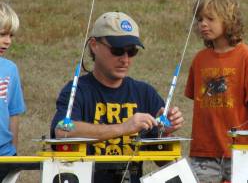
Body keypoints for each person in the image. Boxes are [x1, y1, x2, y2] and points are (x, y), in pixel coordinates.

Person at [51, 11, 184, 183]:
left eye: (132, 51)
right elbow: (62, 130)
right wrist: (123, 128)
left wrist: (164, 134)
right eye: (117, 50)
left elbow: (163, 161)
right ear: (94, 45)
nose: (125, 59)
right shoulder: (77, 91)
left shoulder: (145, 93)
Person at [184, 0, 248, 182]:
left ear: (228, 19)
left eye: (210, 18)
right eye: (199, 19)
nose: (203, 24)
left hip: (240, 151)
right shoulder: (199, 59)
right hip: (203, 152)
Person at [0, 2, 26, 181]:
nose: (8, 41)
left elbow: (14, 113)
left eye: (11, 35)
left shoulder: (10, 69)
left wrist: (13, 154)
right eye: (2, 34)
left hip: (4, 155)